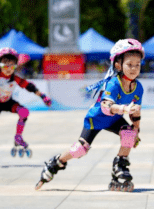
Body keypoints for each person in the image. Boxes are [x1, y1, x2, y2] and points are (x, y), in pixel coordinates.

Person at [35, 39, 144, 191]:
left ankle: (120, 166)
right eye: (129, 64)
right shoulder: (113, 83)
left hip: (114, 119)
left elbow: (135, 112)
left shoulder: (138, 88)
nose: (134, 68)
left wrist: (136, 129)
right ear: (118, 65)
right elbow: (106, 106)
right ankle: (55, 163)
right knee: (80, 149)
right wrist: (124, 109)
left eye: (137, 65)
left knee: (129, 134)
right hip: (96, 118)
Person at [0, 48, 52, 167]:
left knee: (24, 112)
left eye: (12, 66)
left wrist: (43, 96)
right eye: (5, 66)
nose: (9, 69)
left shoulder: (14, 78)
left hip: (8, 102)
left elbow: (30, 87)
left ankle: (18, 137)